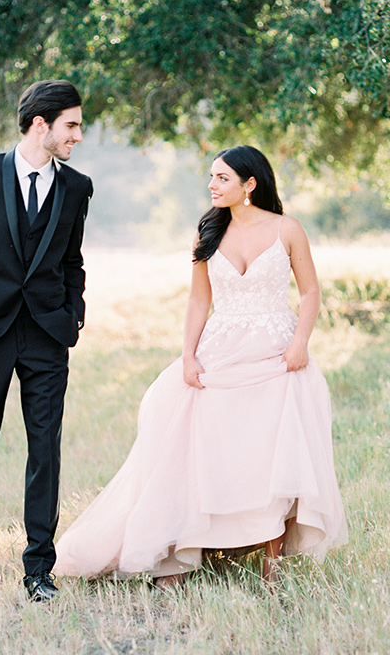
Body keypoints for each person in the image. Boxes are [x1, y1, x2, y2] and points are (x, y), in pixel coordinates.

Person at [54, 145, 347, 588]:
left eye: (222, 178)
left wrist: (300, 343)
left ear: (250, 184)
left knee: (272, 453)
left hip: (277, 354)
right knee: (194, 441)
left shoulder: (288, 229)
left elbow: (310, 293)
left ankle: (272, 565)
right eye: (211, 177)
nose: (212, 185)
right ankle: (182, 551)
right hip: (222, 348)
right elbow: (199, 299)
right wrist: (189, 355)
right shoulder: (208, 232)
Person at [0, 79, 93, 601]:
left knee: (44, 450)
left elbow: (72, 261)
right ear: (40, 124)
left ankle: (37, 569)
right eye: (71, 125)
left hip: (48, 334)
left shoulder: (77, 188)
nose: (78, 135)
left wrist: (73, 314)